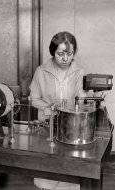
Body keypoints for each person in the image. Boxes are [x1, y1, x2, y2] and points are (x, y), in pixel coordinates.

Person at [29, 31, 85, 190]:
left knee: (68, 166)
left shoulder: (80, 72)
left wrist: (90, 97)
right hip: (46, 124)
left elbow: (81, 100)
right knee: (47, 164)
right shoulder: (41, 71)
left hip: (70, 127)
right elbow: (34, 99)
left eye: (70, 54)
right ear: (52, 51)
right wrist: (49, 109)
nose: (65, 58)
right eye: (60, 54)